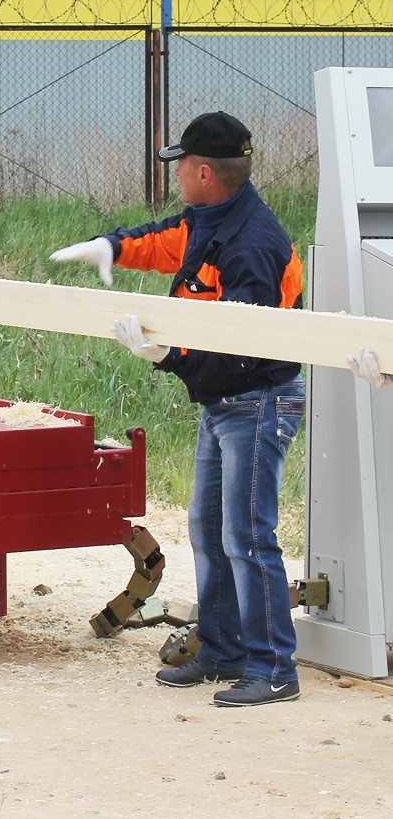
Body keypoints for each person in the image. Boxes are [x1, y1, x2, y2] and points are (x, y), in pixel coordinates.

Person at [51, 112, 306, 707]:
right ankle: (223, 650)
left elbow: (243, 352)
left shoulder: (254, 246)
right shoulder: (212, 219)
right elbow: (169, 240)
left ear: (204, 172)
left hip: (258, 399)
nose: (177, 178)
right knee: (209, 528)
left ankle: (273, 668)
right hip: (225, 402)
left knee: (247, 534)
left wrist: (168, 357)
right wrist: (110, 245)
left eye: (181, 167)